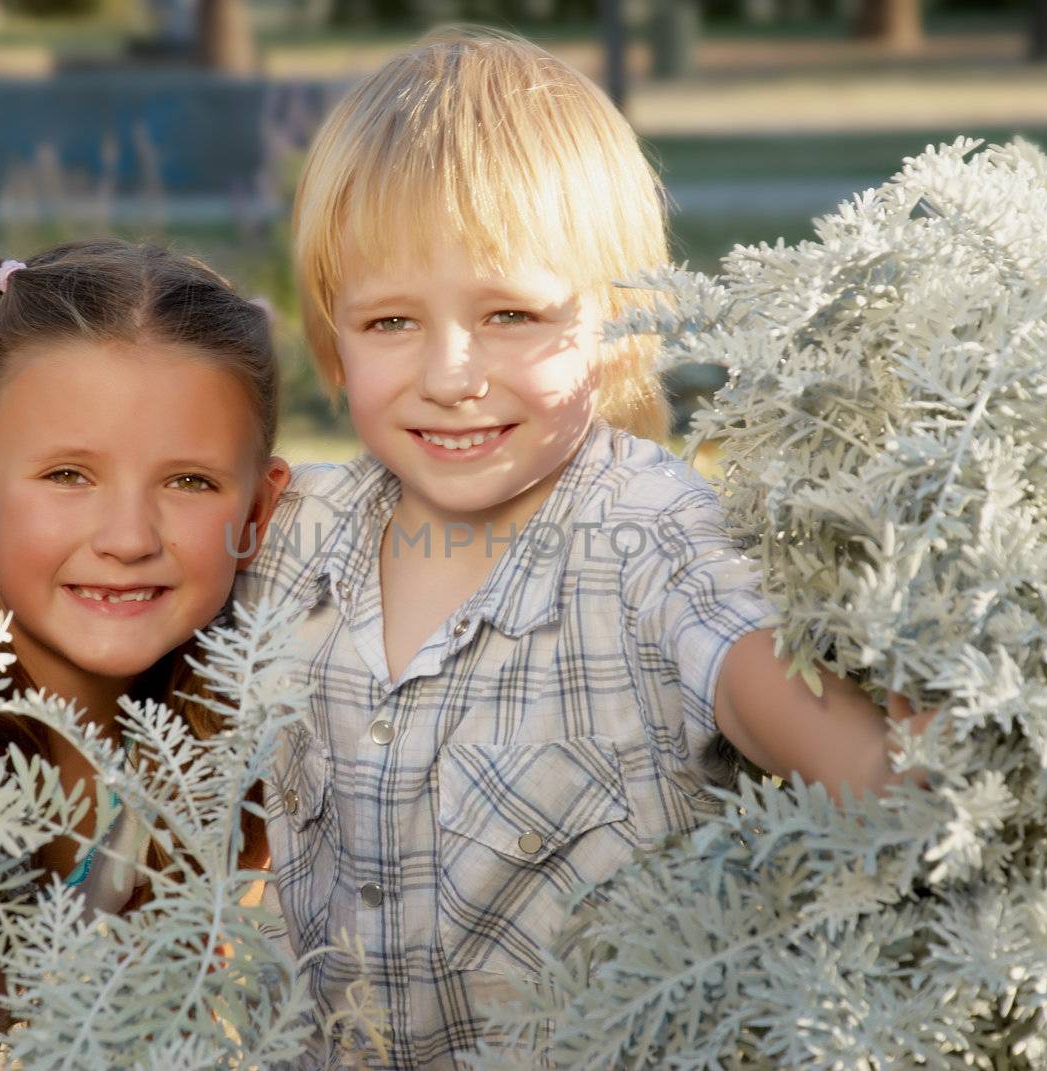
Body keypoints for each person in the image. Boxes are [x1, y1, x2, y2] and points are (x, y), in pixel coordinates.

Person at [236, 28, 931, 1068]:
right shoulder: (304, 535)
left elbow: (763, 683)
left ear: (618, 325)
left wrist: (908, 775)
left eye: (510, 313)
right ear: (331, 342)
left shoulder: (649, 531)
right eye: (389, 322)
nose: (451, 372)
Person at [0, 237, 290, 1014]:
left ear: (257, 512)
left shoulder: (237, 731)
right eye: (69, 475)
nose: (129, 537)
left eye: (189, 480)